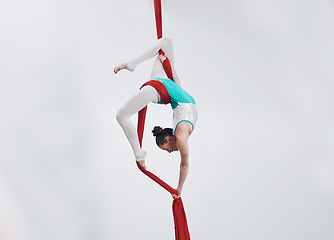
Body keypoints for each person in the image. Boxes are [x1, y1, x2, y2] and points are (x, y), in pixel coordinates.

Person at [114, 37, 198, 198]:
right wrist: (168, 65)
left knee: (121, 116)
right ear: (169, 139)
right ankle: (133, 63)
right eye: (166, 150)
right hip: (163, 82)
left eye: (165, 149)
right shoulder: (181, 134)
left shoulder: (180, 134)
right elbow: (184, 164)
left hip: (159, 89)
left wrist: (178, 189)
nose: (169, 152)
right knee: (166, 41)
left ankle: (139, 154)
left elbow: (184, 164)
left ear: (169, 139)